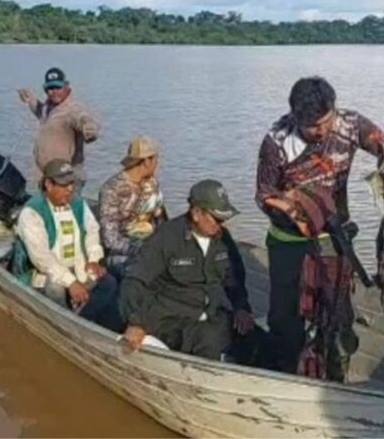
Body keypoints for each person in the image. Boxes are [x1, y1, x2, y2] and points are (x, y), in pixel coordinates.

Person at [255, 76, 384, 376]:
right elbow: (262, 194)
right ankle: (286, 373)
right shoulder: (276, 140)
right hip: (288, 241)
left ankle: (335, 376)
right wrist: (291, 206)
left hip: (334, 237)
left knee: (337, 315)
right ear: (295, 118)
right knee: (285, 318)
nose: (322, 131)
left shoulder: (349, 124)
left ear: (333, 108)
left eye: (325, 121)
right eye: (312, 127)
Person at [119, 180, 255, 360]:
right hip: (170, 319)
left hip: (211, 314)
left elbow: (234, 278)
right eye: (217, 219)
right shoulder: (166, 237)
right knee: (209, 340)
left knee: (256, 339)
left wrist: (241, 307)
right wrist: (135, 321)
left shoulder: (223, 239)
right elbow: (135, 280)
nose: (221, 225)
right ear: (197, 213)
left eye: (224, 220)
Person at [15, 158, 122, 332]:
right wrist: (71, 282)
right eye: (64, 185)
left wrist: (94, 258)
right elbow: (42, 258)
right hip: (44, 273)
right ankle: (67, 327)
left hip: (77, 267)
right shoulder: (32, 212)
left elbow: (91, 230)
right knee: (55, 288)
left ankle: (84, 319)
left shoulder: (78, 203)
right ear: (49, 185)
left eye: (72, 183)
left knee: (108, 282)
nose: (70, 189)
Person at [98, 136, 166, 277]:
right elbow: (110, 239)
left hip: (152, 246)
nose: (158, 163)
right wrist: (141, 249)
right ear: (147, 161)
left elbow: (161, 221)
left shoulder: (152, 184)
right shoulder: (112, 189)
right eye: (156, 159)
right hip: (123, 254)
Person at [18, 67, 100, 180]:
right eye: (50, 88)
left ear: (66, 86)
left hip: (66, 177)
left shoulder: (72, 109)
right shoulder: (49, 107)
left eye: (58, 87)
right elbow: (43, 115)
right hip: (48, 174)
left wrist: (90, 128)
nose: (54, 91)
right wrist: (31, 100)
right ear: (45, 89)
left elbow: (82, 118)